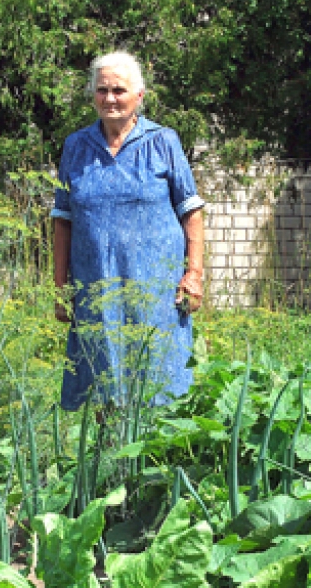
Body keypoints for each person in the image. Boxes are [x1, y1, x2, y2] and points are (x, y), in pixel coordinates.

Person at [51, 51, 205, 410]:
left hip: (156, 292)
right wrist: (60, 288)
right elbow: (62, 219)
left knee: (161, 380)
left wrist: (194, 274)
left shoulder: (163, 142)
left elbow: (192, 211)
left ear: (139, 96)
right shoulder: (76, 146)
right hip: (96, 289)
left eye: (118, 90)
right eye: (101, 90)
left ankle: (159, 459)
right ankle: (109, 461)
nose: (109, 98)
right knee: (101, 384)